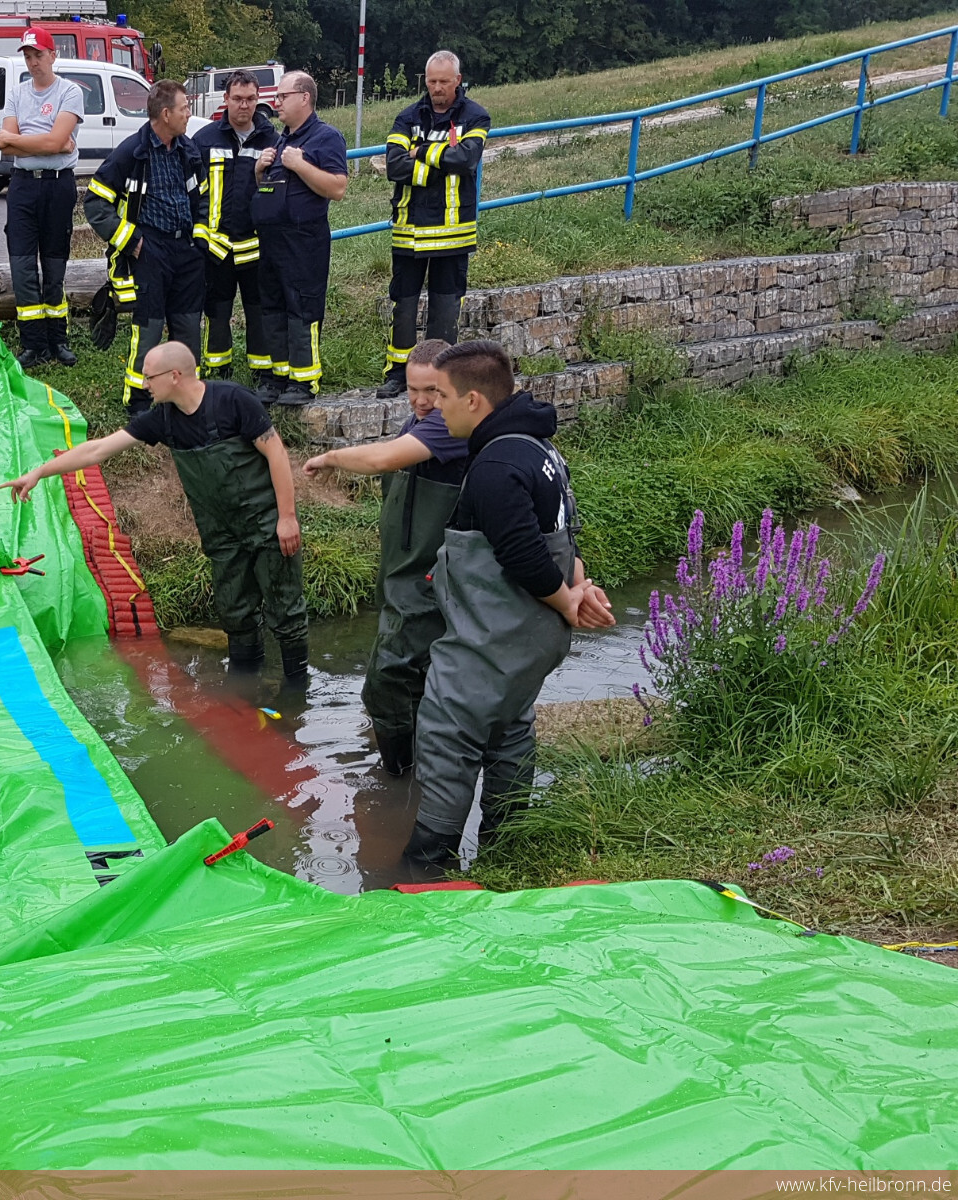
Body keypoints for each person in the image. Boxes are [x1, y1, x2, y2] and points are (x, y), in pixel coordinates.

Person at [403, 340, 614, 880]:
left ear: (473, 400)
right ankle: (506, 849)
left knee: (448, 731)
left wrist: (568, 600)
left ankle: (428, 864)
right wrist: (578, 584)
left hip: (495, 636)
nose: (434, 407)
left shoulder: (496, 464)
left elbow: (521, 551)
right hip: (529, 640)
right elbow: (561, 533)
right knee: (508, 726)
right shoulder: (538, 449)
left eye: (442, 395)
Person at [1, 341, 308, 681]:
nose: (144, 384)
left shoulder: (234, 401)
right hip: (222, 535)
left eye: (149, 377)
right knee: (236, 614)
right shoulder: (163, 418)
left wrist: (287, 518)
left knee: (286, 612)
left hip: (267, 525)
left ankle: (296, 691)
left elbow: (277, 454)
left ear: (174, 376)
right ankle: (243, 688)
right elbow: (97, 450)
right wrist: (39, 472)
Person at [302, 339, 464, 776]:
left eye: (432, 391)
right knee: (416, 677)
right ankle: (421, 770)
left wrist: (330, 457)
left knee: (386, 678)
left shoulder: (446, 426)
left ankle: (396, 776)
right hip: (402, 574)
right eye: (413, 389)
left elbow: (382, 460)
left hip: (430, 579)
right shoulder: (420, 420)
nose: (421, 401)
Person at [85, 80, 205, 414]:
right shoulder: (131, 153)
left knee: (188, 328)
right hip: (151, 252)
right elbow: (96, 203)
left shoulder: (187, 149)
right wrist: (132, 241)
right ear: (166, 114)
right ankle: (139, 400)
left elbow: (203, 196)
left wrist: (198, 241)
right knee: (149, 329)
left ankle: (187, 396)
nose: (188, 114)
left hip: (186, 253)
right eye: (184, 108)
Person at [378, 50, 489, 398]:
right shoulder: (407, 116)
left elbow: (466, 159)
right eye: (431, 81)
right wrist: (437, 165)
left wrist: (421, 151)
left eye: (444, 81)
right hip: (409, 230)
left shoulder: (475, 116)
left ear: (458, 80)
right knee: (403, 306)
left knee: (445, 309)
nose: (437, 88)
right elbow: (394, 166)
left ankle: (441, 377)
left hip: (452, 233)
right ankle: (398, 373)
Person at [250, 71, 347, 407]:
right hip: (272, 241)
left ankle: (304, 380)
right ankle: (277, 377)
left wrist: (300, 165)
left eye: (283, 96)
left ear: (304, 97)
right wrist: (259, 172)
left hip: (304, 240)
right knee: (273, 306)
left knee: (302, 307)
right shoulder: (281, 140)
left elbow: (338, 188)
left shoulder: (325, 137)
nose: (276, 102)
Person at [0, 28, 83, 368]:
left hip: (57, 186)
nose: (33, 62)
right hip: (23, 186)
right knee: (22, 268)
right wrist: (50, 143)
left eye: (38, 55)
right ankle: (32, 343)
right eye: (28, 56)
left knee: (54, 265)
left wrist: (31, 141)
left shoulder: (70, 91)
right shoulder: (16, 93)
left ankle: (57, 339)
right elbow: (4, 144)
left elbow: (51, 141)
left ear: (52, 55)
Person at [193, 70, 276, 387]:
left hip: (256, 245)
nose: (244, 105)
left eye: (251, 99)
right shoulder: (204, 140)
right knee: (216, 310)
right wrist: (199, 235)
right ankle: (218, 372)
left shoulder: (272, 140)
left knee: (259, 310)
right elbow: (193, 193)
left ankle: (262, 372)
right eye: (238, 99)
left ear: (258, 99)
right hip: (216, 246)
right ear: (226, 99)